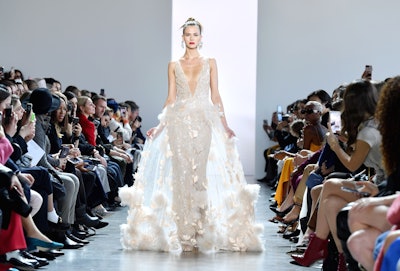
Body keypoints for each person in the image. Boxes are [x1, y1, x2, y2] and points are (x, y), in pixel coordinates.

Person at [119, 17, 263, 253]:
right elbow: (171, 98)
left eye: (196, 34)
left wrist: (224, 125)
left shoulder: (211, 63)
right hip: (178, 123)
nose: (192, 38)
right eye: (188, 34)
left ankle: (199, 229)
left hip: (203, 122)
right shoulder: (173, 65)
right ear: (183, 37)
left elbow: (215, 96)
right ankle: (184, 230)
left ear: (201, 37)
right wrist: (160, 125)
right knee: (182, 174)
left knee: (200, 173)